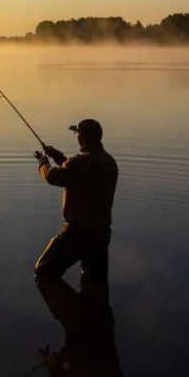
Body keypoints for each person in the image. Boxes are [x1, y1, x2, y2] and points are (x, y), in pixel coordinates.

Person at [33, 118, 118, 282]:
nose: (76, 136)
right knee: (94, 281)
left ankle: (66, 305)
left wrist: (42, 161)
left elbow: (53, 176)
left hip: (77, 234)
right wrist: (57, 155)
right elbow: (80, 175)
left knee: (43, 271)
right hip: (101, 233)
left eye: (77, 133)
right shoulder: (109, 162)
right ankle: (91, 307)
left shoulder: (80, 162)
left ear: (83, 137)